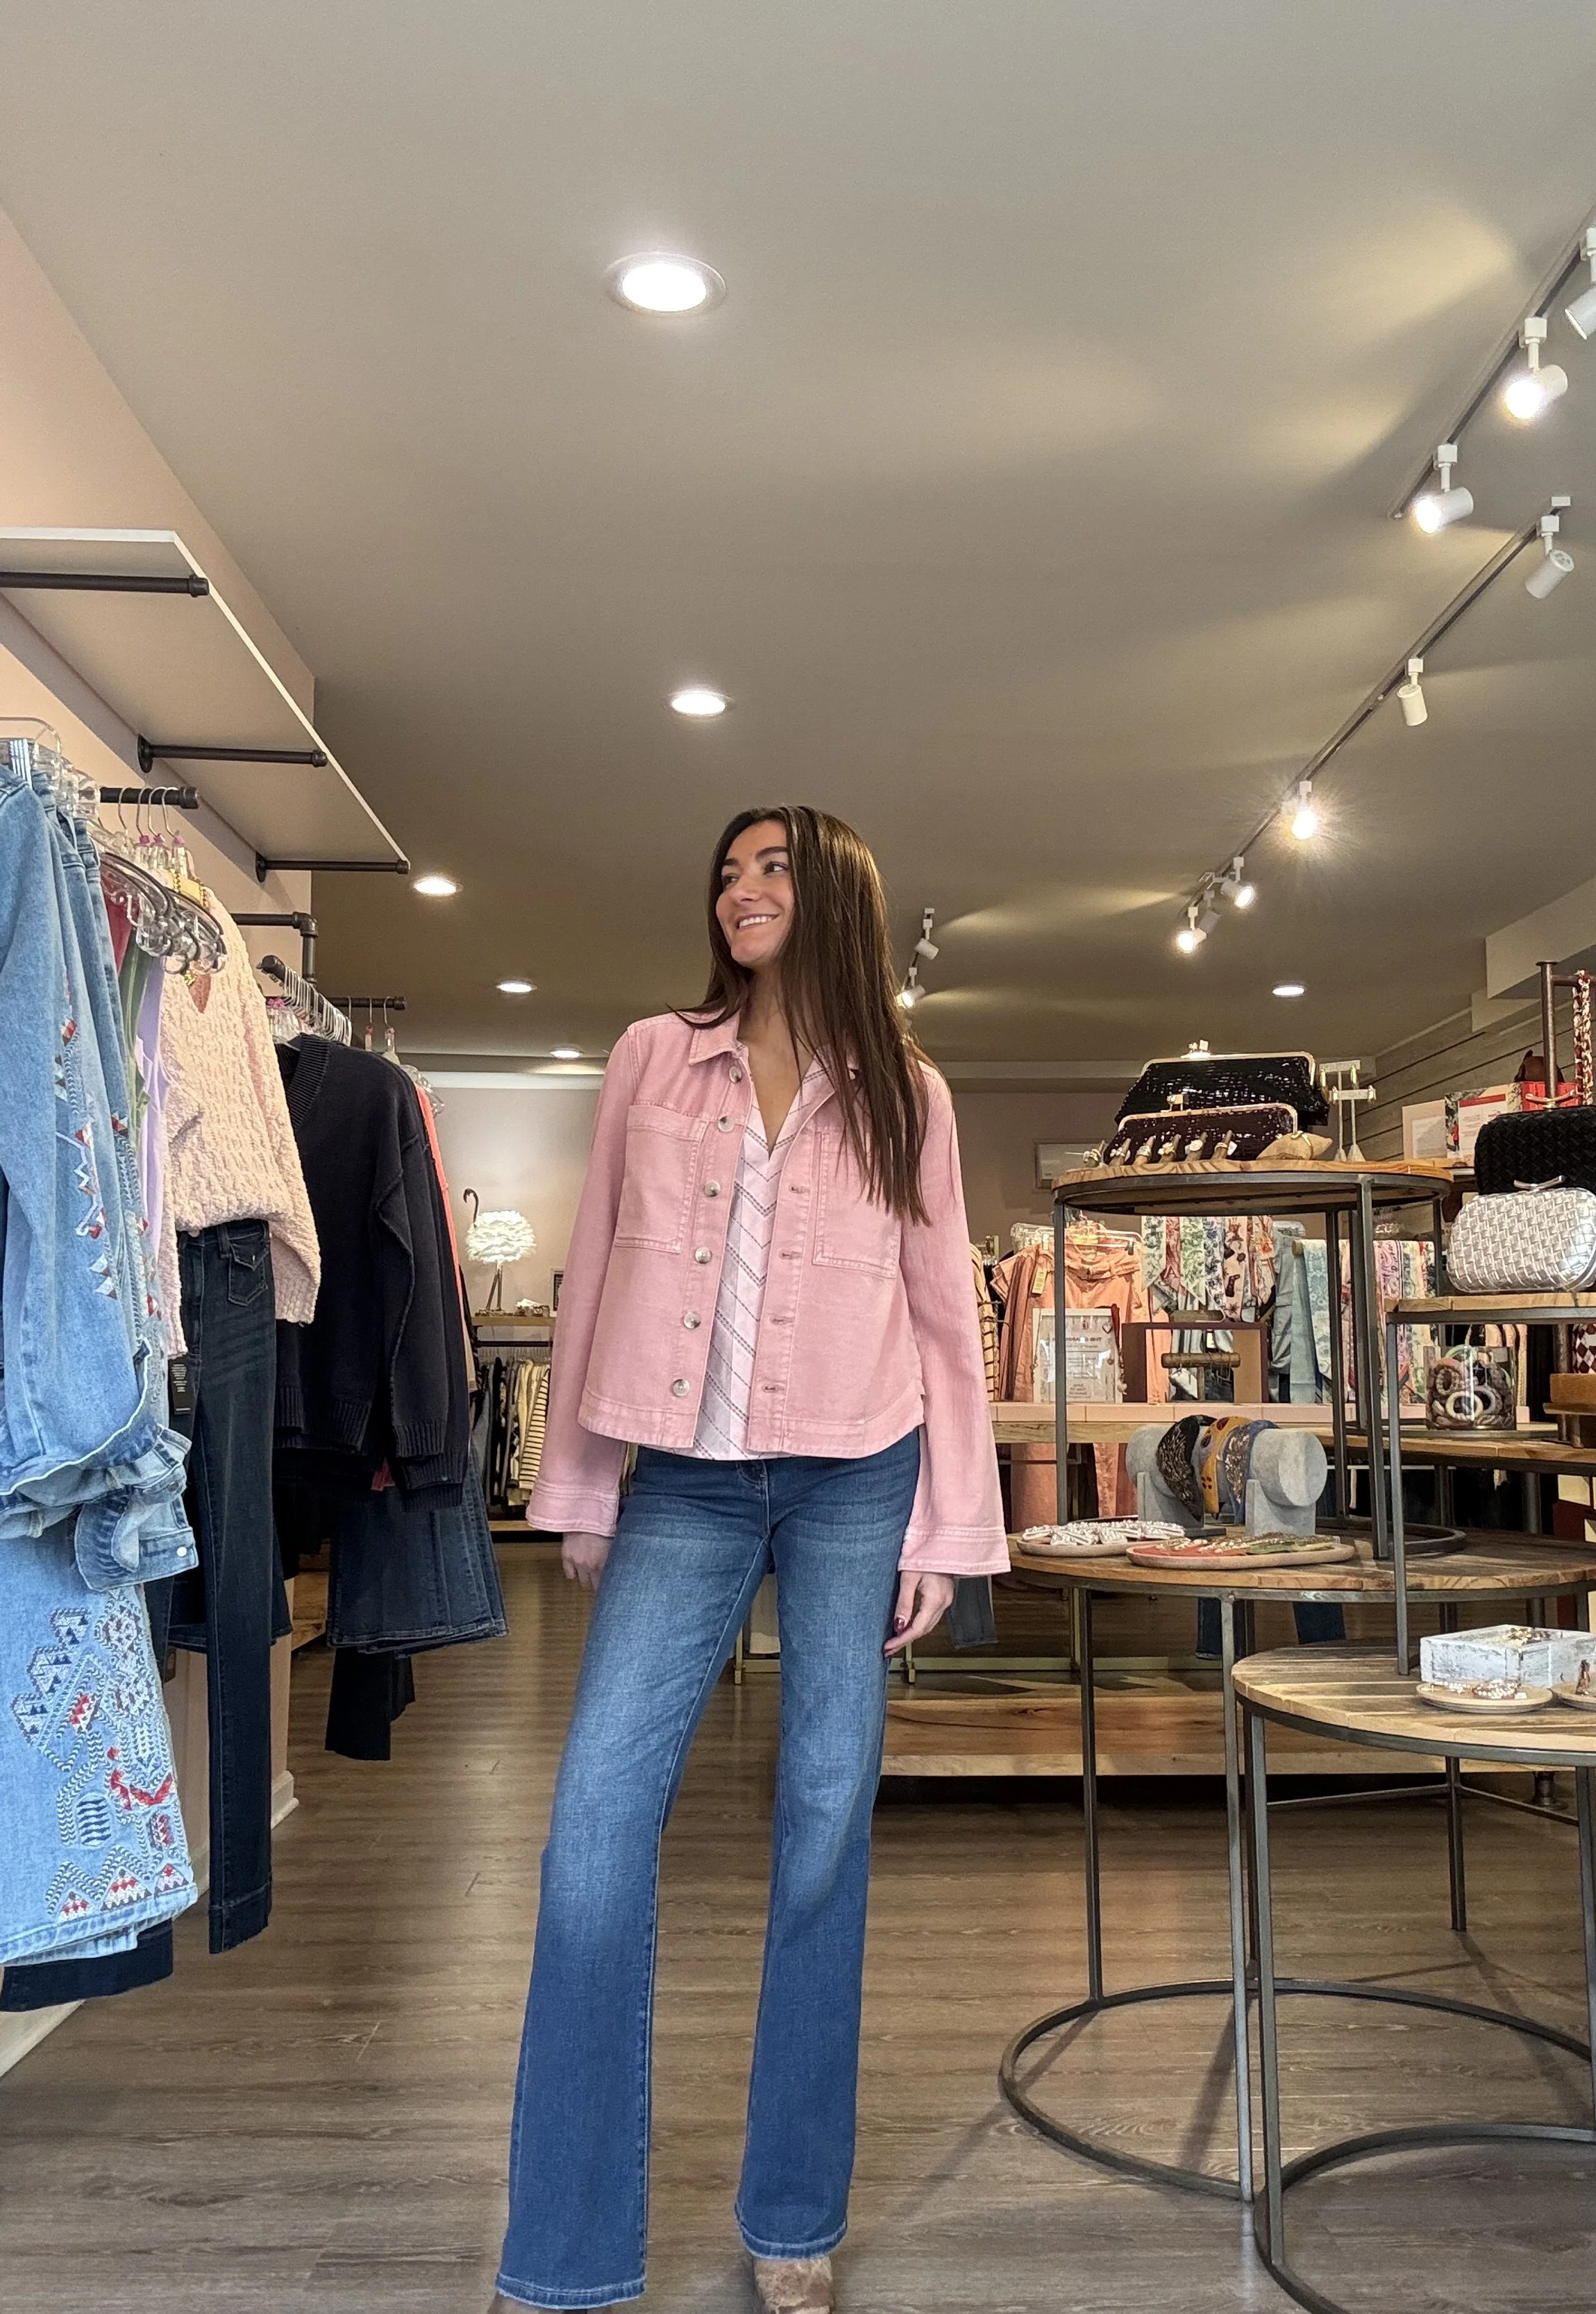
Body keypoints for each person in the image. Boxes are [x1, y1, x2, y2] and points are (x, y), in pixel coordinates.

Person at [493, 807, 1008, 2313]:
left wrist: (949, 1528)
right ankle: (567, 2252)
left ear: (838, 888)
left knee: (822, 1829)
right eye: (726, 870)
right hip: (686, 1485)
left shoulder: (909, 1092)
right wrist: (577, 1483)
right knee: (592, 1829)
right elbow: (596, 1270)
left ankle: (792, 2220)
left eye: (772, 865)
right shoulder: (656, 1059)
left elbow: (941, 1319)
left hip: (861, 1477)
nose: (740, 889)